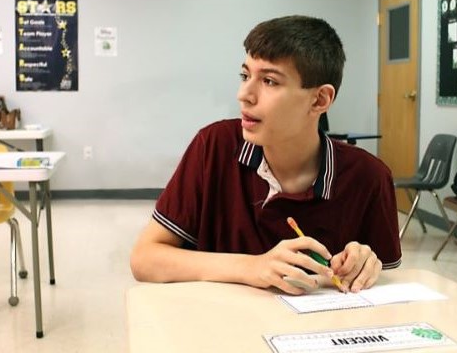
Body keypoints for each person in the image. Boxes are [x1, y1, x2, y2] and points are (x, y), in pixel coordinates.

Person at [130, 15, 401, 295]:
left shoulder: (370, 177)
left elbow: (386, 288)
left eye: (270, 81)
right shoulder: (214, 146)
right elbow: (145, 258)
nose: (244, 94)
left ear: (320, 100)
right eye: (245, 75)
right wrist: (253, 267)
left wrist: (366, 264)